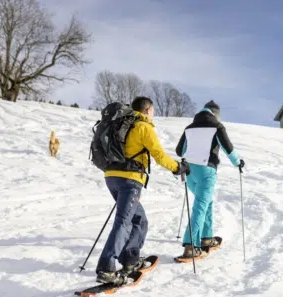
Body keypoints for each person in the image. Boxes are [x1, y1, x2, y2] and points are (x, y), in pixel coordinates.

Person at [96, 96, 189, 283]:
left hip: (111, 176)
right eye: (153, 111)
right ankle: (106, 268)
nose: (153, 115)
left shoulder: (121, 123)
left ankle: (130, 259)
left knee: (139, 220)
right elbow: (159, 155)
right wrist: (178, 168)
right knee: (124, 222)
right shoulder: (143, 126)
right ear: (147, 110)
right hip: (129, 180)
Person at [175, 100, 244, 259]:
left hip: (190, 172)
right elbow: (228, 148)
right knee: (200, 206)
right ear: (216, 114)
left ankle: (206, 238)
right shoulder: (217, 126)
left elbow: (180, 151)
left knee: (206, 203)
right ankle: (191, 245)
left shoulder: (189, 128)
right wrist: (237, 162)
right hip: (207, 171)